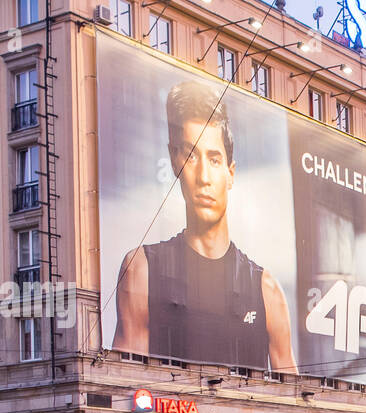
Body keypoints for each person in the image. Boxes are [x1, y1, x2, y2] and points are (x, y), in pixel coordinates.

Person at [114, 80, 296, 372]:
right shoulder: (141, 269)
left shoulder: (266, 289)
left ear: (230, 172)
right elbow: (124, 381)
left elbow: (294, 397)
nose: (203, 177)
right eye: (190, 156)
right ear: (175, 161)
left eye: (214, 159)